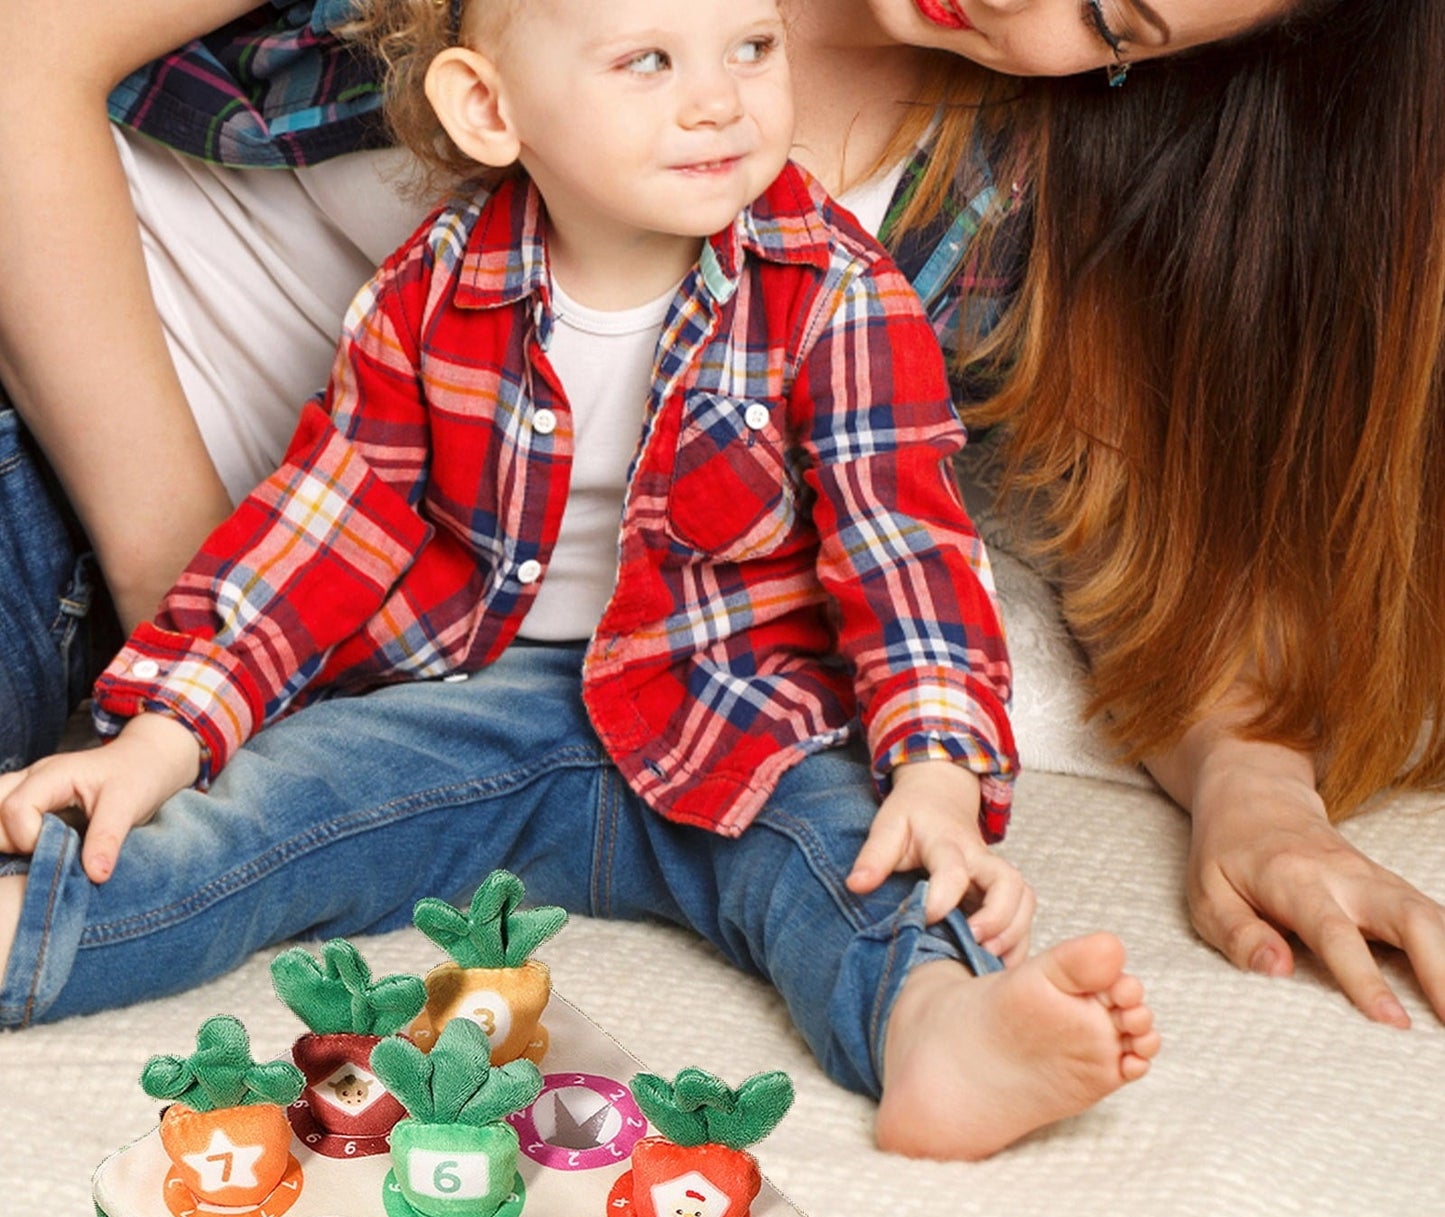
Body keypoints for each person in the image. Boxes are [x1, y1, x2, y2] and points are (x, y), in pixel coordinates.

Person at [0, 1, 1440, 1047]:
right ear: (478, 101)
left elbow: (979, 548)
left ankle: (940, 1028)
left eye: (1103, 16)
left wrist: (1260, 798)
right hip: (107, 519)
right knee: (210, 834)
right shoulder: (438, 285)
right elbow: (21, 52)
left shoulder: (989, 211)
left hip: (390, 671)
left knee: (844, 841)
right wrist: (193, 672)